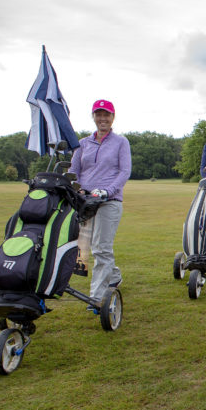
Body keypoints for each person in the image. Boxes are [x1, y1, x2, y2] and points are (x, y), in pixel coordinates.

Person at [69, 99, 131, 308]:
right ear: (93, 117)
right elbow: (74, 170)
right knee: (86, 246)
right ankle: (114, 276)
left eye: (106, 115)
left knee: (101, 247)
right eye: (98, 114)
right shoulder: (83, 143)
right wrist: (73, 186)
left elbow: (124, 171)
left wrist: (107, 191)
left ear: (113, 117)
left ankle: (96, 297)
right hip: (85, 201)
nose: (102, 118)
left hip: (109, 201)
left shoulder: (121, 142)